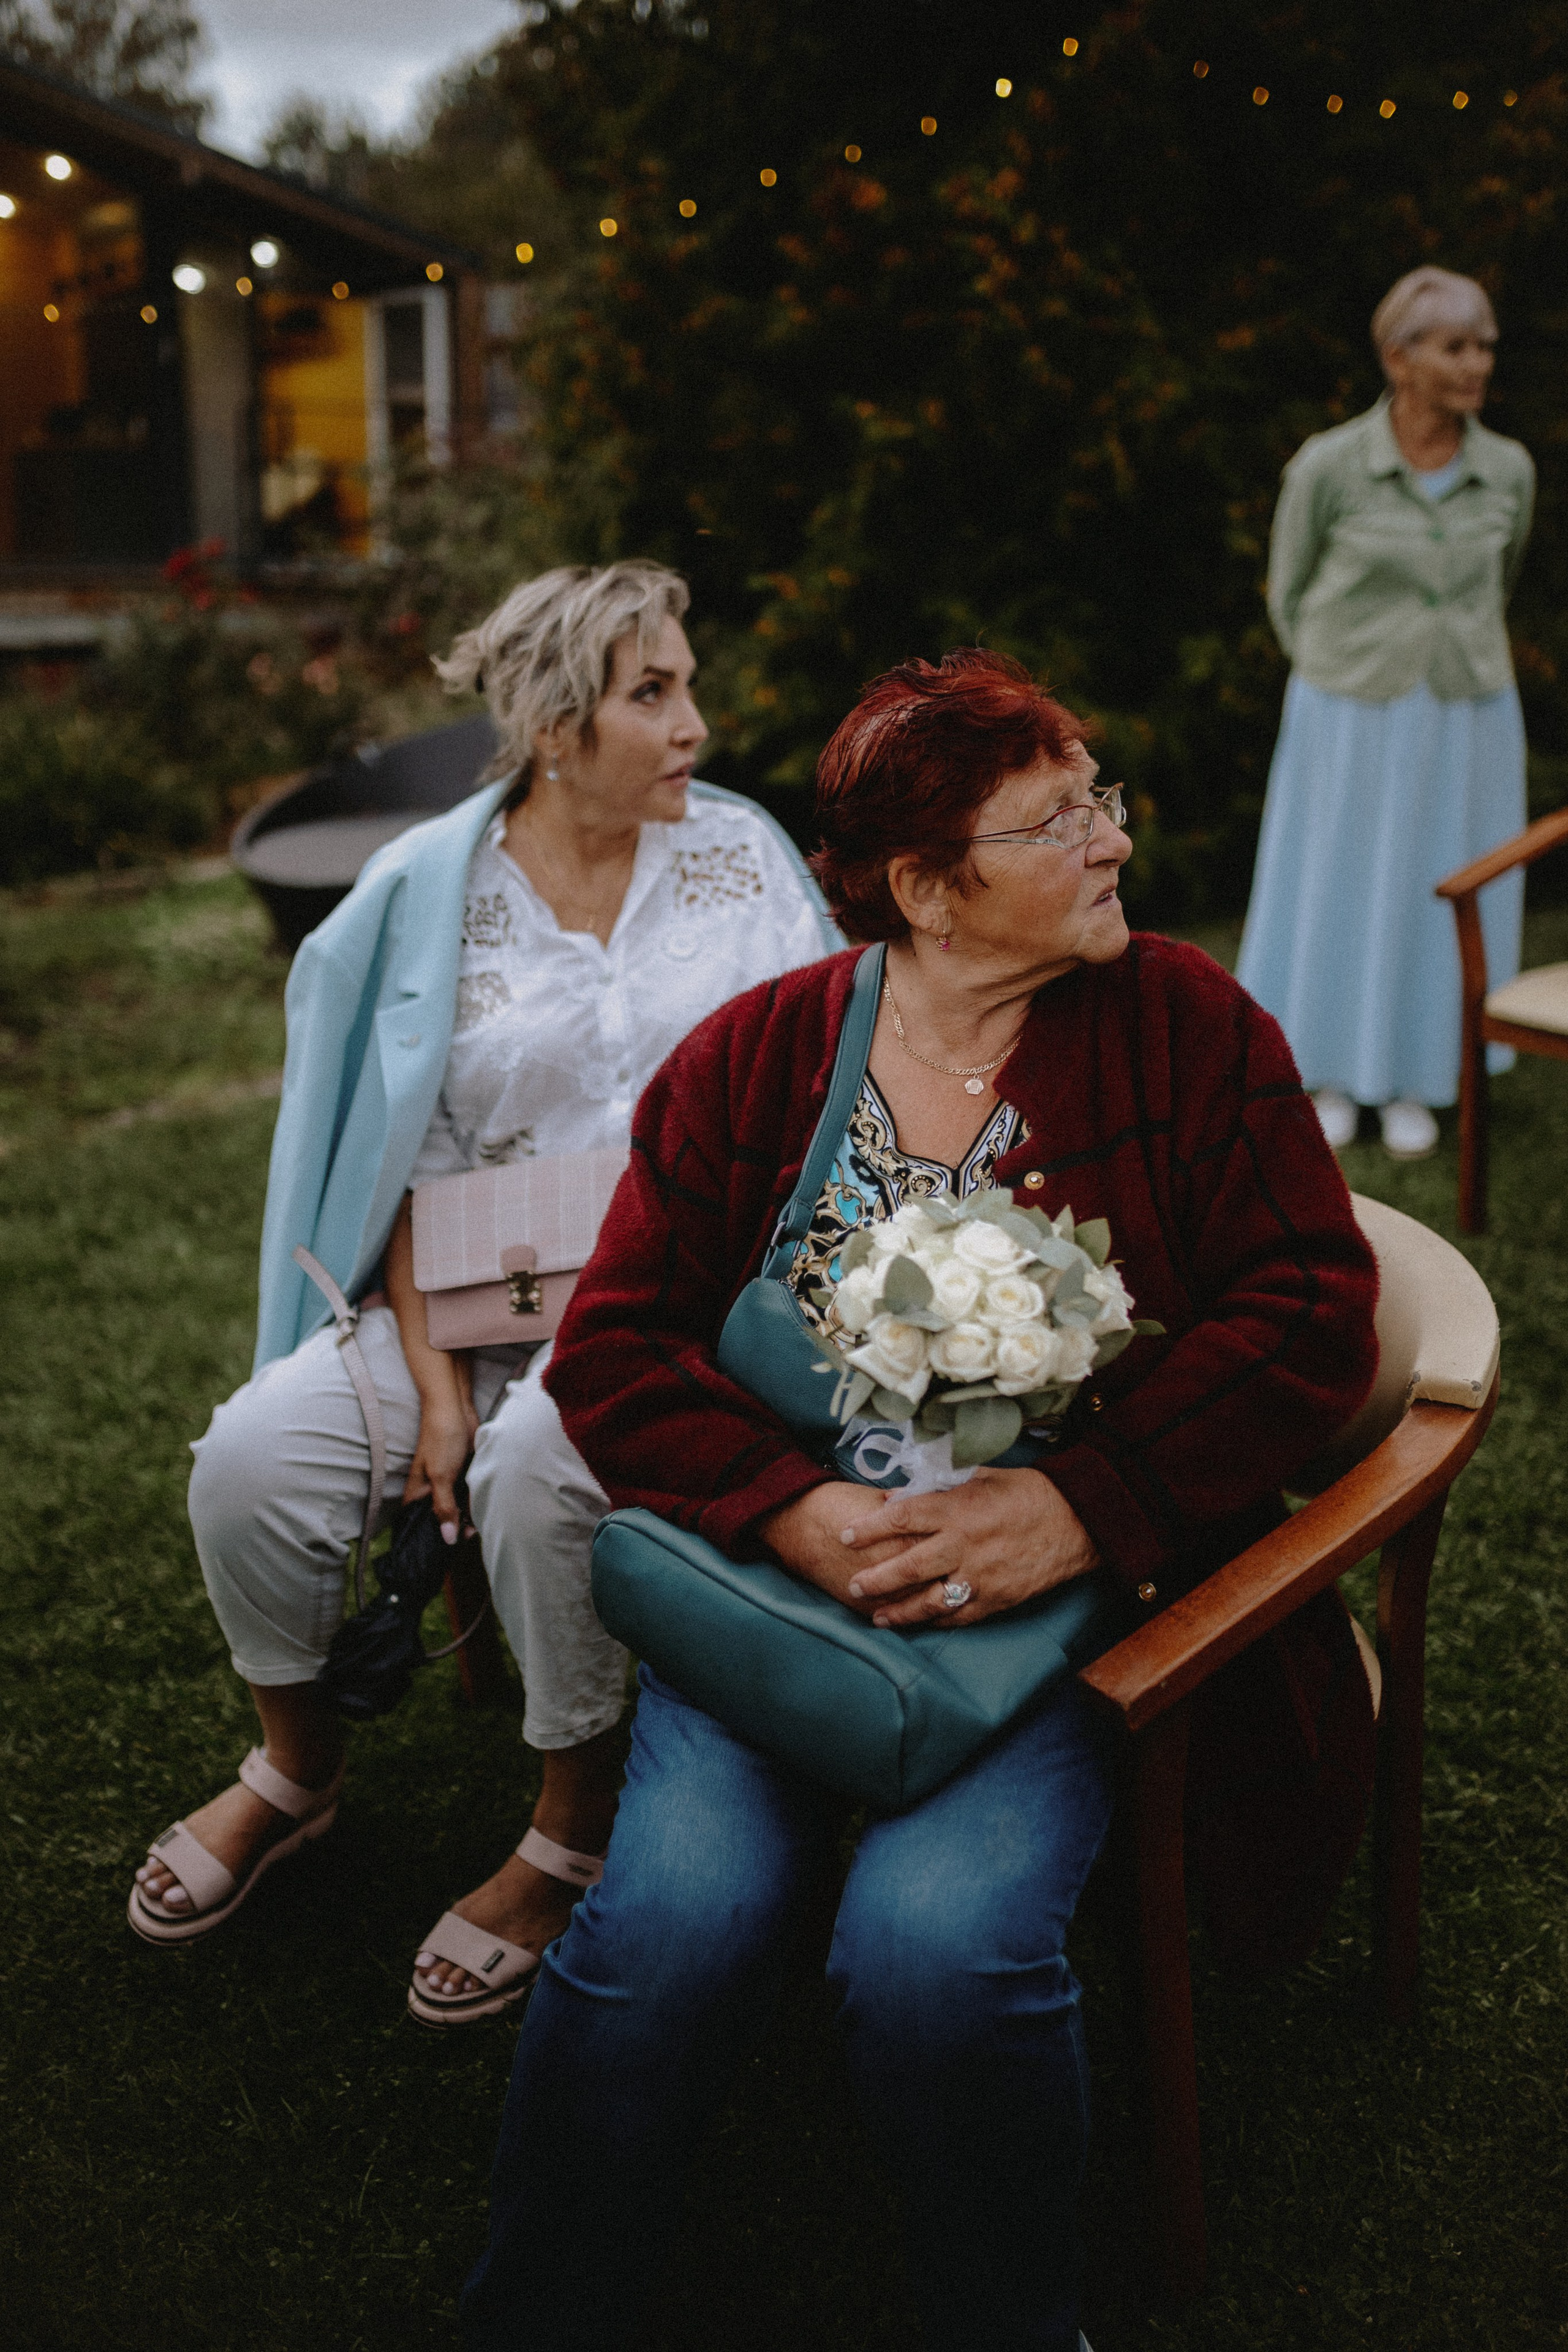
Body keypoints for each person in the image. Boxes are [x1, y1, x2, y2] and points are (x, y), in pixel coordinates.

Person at [460, 649, 1381, 2352]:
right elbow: (617, 1347)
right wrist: (786, 1510)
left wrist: (1086, 1508)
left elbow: (1310, 1310)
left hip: (1038, 1628)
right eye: (1060, 818)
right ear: (927, 890)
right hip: (777, 1601)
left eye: (1099, 795)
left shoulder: (1183, 1023)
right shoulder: (761, 1057)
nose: (1112, 841)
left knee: (939, 1955)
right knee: (667, 1932)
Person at [126, 560, 839, 2029]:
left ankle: (568, 1827)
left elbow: (822, 1093)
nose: (695, 720)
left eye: (685, 682)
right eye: (654, 693)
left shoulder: (743, 856)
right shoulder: (428, 892)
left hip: (681, 1308)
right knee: (255, 1459)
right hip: (468, 1291)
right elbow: (405, 1156)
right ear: (557, 726)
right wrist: (437, 1391)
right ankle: (298, 1769)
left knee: (534, 1465)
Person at [1237, 265, 1536, 1160]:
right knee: (1336, 879)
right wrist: (1344, 669)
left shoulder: (1507, 470)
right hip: (1348, 711)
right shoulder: (1330, 465)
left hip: (1466, 713)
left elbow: (1503, 576)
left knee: (1446, 882)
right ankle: (1327, 1072)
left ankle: (1421, 1078)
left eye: (1484, 343)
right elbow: (1287, 592)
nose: (1477, 361)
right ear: (1400, 360)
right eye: (1456, 346)